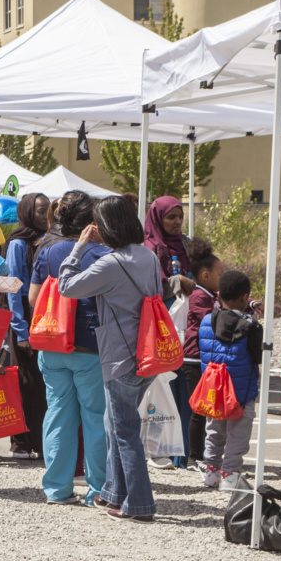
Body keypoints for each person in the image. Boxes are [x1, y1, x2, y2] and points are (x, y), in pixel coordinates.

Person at [58, 195, 161, 522]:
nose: (96, 229)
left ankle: (141, 503)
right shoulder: (148, 257)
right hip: (148, 353)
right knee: (115, 423)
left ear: (109, 226)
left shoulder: (110, 264)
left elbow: (66, 286)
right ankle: (115, 494)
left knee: (125, 430)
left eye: (99, 223)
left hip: (120, 355)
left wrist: (79, 247)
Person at [31, 192, 108, 507]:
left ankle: (57, 489)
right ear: (91, 220)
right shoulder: (100, 253)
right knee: (95, 417)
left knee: (58, 414)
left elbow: (34, 300)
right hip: (90, 344)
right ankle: (98, 489)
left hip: (52, 343)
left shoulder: (45, 249)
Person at [197, 269, 261, 492]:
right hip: (241, 391)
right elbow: (257, 355)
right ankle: (230, 474)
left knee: (214, 430)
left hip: (213, 388)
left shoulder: (206, 321)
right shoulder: (250, 326)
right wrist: (253, 318)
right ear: (245, 297)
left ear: (219, 294)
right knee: (238, 434)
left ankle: (211, 472)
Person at [2, 193, 51, 460]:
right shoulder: (19, 244)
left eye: (48, 211)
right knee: (26, 383)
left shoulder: (48, 240)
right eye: (40, 211)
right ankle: (21, 442)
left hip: (43, 317)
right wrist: (20, 330)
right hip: (24, 319)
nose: (45, 216)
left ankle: (40, 441)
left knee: (42, 384)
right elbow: (13, 289)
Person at [174, 239, 221, 465]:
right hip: (192, 358)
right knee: (198, 410)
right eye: (220, 273)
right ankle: (194, 454)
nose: (222, 278)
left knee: (203, 408)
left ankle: (200, 453)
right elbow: (209, 320)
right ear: (205, 275)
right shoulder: (200, 296)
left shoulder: (211, 294)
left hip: (201, 357)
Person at [143, 196, 191, 288]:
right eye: (171, 217)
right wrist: (178, 281)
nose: (178, 221)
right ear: (158, 219)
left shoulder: (186, 242)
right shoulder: (148, 249)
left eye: (180, 217)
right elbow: (150, 286)